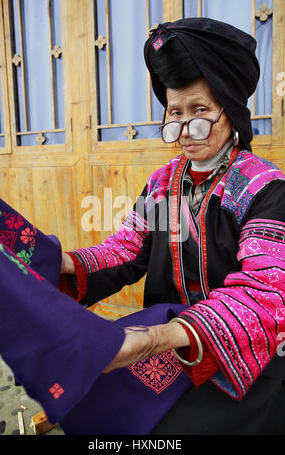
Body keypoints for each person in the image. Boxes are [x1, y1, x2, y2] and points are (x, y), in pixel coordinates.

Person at [60, 17, 285, 434]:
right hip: (168, 341)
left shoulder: (264, 190)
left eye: (200, 111)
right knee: (88, 398)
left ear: (231, 110)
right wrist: (61, 261)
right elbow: (125, 250)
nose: (184, 129)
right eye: (174, 113)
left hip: (245, 358)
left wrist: (153, 339)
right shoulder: (164, 184)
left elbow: (262, 294)